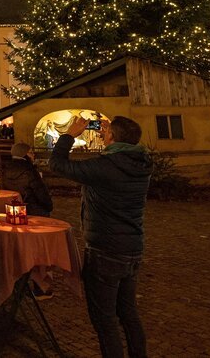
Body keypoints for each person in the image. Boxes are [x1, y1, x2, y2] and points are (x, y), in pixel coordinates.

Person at [50, 116, 151, 358]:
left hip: (105, 249)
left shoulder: (105, 167)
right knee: (128, 314)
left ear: (112, 138)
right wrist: (113, 135)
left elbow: (58, 164)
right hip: (132, 247)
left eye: (107, 133)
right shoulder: (142, 163)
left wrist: (69, 135)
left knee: (104, 320)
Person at [0, 142, 54, 217]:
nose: (33, 155)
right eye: (31, 153)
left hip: (12, 208)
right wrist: (49, 206)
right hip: (31, 209)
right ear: (24, 154)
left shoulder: (5, 168)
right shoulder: (30, 170)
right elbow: (40, 191)